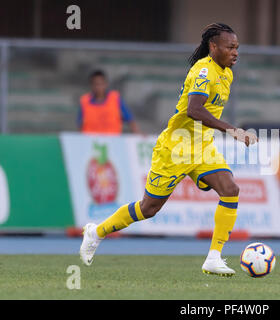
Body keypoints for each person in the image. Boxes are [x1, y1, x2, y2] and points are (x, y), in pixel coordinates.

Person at [79, 23, 258, 276]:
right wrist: (233, 130)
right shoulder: (203, 71)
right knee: (148, 208)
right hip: (176, 147)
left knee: (230, 189)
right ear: (213, 46)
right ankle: (96, 232)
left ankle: (214, 257)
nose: (235, 52)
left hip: (202, 145)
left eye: (237, 48)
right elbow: (194, 110)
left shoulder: (226, 73)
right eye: (230, 47)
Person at [78, 70, 141, 134]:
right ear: (91, 85)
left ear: (106, 84)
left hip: (112, 141)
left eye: (101, 84)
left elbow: (130, 119)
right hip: (90, 141)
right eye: (95, 84)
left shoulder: (115, 98)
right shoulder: (84, 101)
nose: (98, 87)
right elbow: (80, 124)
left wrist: (138, 135)